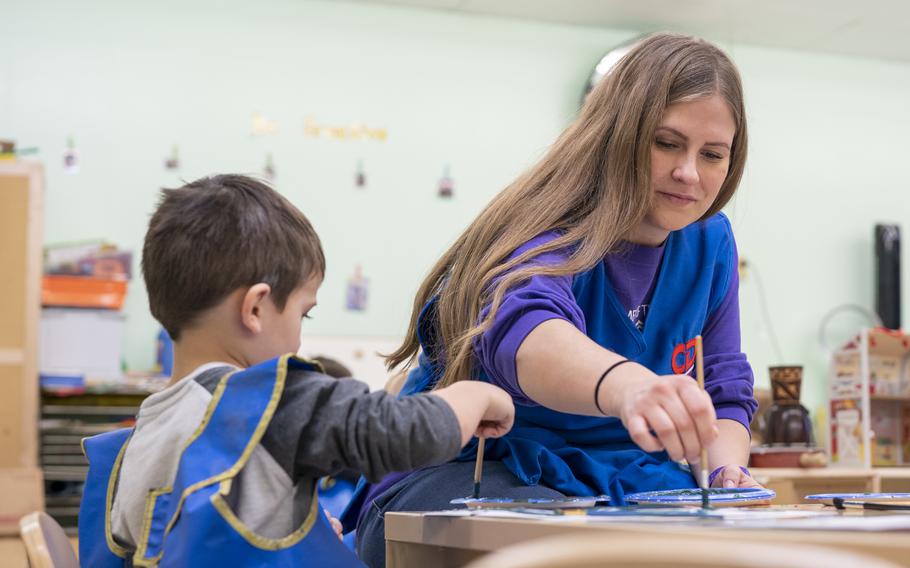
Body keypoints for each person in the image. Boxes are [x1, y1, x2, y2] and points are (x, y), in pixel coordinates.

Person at [351, 32, 760, 566]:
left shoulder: (711, 242)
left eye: (713, 154)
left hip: (620, 482)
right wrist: (627, 387)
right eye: (666, 143)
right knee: (575, 554)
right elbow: (525, 332)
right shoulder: (548, 222)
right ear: (619, 135)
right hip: (466, 470)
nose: (689, 173)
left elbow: (725, 391)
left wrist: (725, 469)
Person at [77, 174, 515, 567]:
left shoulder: (143, 437)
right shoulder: (269, 400)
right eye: (303, 314)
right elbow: (401, 433)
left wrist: (287, 528)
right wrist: (474, 395)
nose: (300, 338)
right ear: (255, 308)